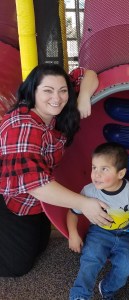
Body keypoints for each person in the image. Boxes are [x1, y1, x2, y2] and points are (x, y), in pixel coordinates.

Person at [0, 63, 112, 277]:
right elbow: (34, 184)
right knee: (16, 266)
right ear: (33, 91)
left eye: (63, 91)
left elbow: (87, 74)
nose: (57, 98)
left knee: (40, 245)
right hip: (12, 200)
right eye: (48, 91)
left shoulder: (54, 109)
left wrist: (84, 96)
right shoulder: (22, 127)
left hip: (37, 201)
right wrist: (84, 203)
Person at [68, 142, 129, 300]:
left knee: (128, 265)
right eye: (94, 167)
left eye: (104, 169)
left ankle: (107, 288)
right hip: (99, 232)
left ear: (120, 174)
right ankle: (80, 295)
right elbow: (72, 213)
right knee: (91, 258)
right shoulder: (89, 191)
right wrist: (73, 234)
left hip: (126, 234)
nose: (96, 174)